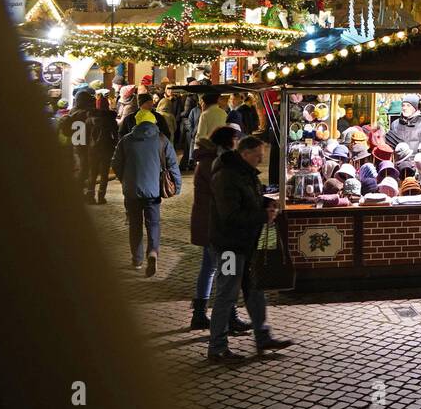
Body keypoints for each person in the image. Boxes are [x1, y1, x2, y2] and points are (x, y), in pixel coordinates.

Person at [207, 136, 294, 362]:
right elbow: (230, 215)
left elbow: (248, 200)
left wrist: (265, 202)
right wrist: (261, 215)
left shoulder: (243, 173)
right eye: (258, 156)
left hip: (245, 245)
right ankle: (217, 347)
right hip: (229, 246)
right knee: (226, 295)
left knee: (255, 291)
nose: (260, 160)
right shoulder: (227, 176)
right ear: (245, 154)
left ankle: (263, 336)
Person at [189, 125, 252, 334]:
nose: (238, 143)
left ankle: (200, 314)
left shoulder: (210, 160)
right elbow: (225, 194)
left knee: (209, 268)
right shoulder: (216, 163)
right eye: (236, 139)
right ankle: (227, 318)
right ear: (229, 141)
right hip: (219, 227)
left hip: (210, 223)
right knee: (228, 272)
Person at [112, 109, 181, 277]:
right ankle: (153, 252)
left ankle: (137, 260)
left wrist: (125, 179)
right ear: (153, 122)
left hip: (131, 191)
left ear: (136, 123)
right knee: (153, 223)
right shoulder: (162, 140)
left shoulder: (126, 140)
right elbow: (172, 165)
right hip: (153, 190)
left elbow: (116, 163)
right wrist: (177, 186)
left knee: (134, 225)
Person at [86, 91, 120, 204]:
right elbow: (116, 135)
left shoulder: (90, 119)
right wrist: (115, 145)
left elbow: (86, 135)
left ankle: (90, 196)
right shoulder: (111, 119)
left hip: (92, 149)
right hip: (106, 149)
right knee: (104, 173)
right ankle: (101, 196)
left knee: (92, 173)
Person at [65, 90, 97, 201]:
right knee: (85, 169)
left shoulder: (72, 111)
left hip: (75, 143)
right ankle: (79, 193)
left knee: (80, 168)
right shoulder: (86, 113)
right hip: (85, 144)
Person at [178, 91, 201, 172]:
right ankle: (189, 163)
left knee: (189, 147)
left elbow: (187, 114)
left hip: (194, 131)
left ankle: (189, 163)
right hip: (193, 132)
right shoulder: (195, 110)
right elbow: (191, 121)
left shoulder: (196, 109)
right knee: (189, 148)